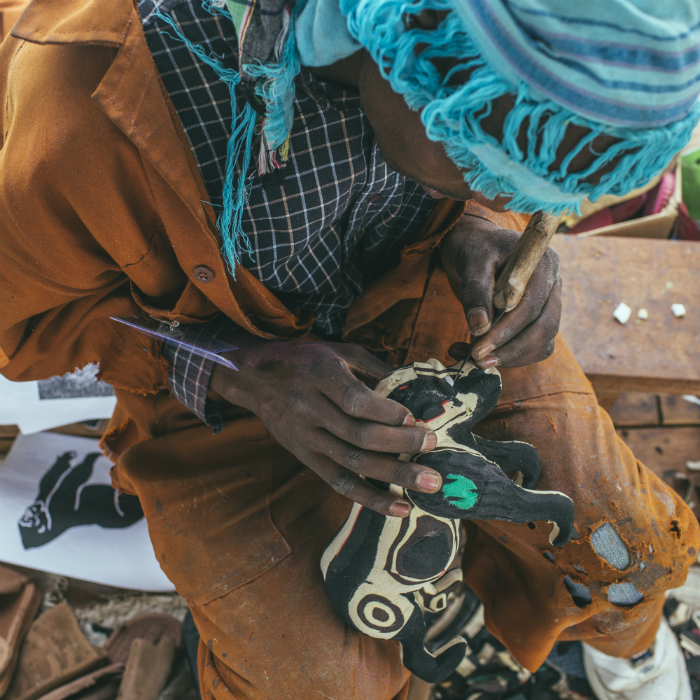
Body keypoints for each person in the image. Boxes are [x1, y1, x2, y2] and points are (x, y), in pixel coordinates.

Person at [1, 0, 699, 698]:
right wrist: (237, 370)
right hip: (228, 375)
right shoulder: (89, 97)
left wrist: (488, 220)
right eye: (485, 164)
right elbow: (28, 327)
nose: (502, 189)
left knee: (631, 551)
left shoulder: (465, 76)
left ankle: (626, 653)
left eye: (530, 181)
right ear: (400, 38)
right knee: (314, 682)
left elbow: (508, 156)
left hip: (436, 305)